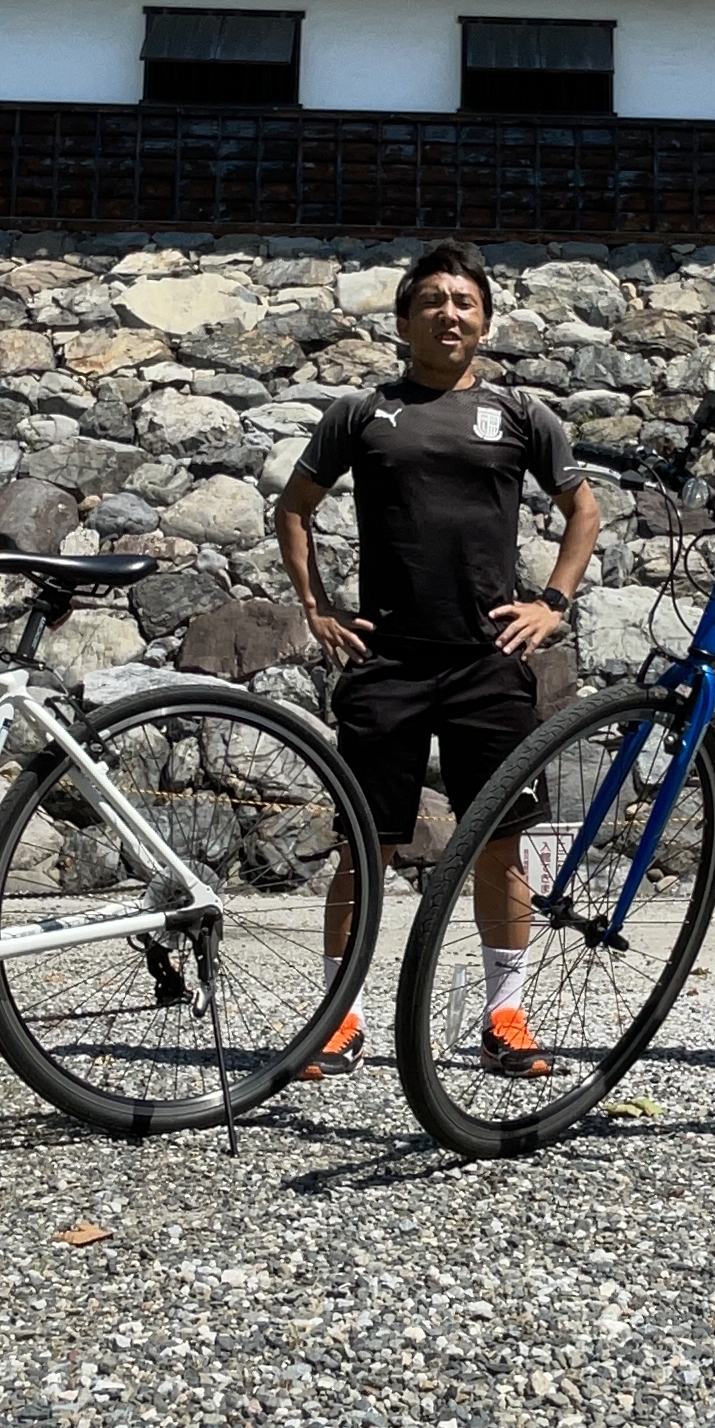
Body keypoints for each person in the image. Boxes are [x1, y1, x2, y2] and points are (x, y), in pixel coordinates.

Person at [276, 241, 602, 1075]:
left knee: (499, 842)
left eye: (464, 302)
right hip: (386, 660)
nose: (448, 314)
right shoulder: (362, 413)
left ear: (484, 322)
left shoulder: (521, 414)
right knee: (366, 847)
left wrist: (553, 603)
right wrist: (316, 608)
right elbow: (295, 506)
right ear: (403, 320)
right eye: (431, 301)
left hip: (487, 660)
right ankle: (338, 1020)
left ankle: (506, 1018)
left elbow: (583, 510)